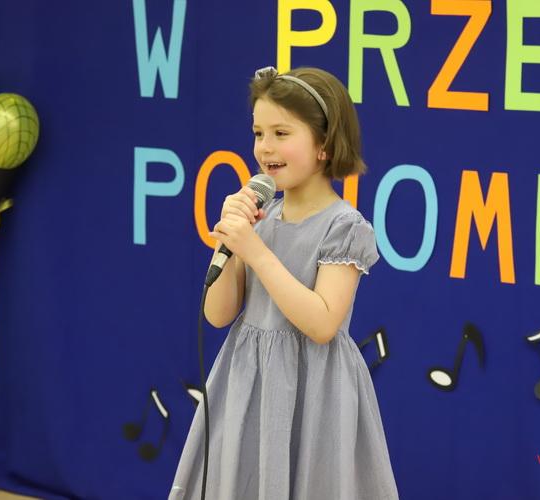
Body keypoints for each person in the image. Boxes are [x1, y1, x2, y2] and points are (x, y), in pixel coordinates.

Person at [169, 66, 399, 500]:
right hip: (248, 382)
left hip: (313, 391)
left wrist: (255, 250)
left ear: (324, 145)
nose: (265, 147)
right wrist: (231, 239)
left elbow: (323, 323)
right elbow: (218, 314)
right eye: (258, 133)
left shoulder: (344, 226)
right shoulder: (262, 217)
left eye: (281, 133)